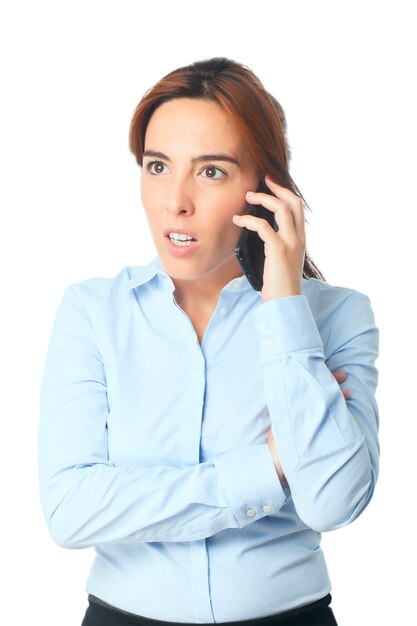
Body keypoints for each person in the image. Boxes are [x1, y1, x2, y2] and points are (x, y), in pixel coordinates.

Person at [38, 57, 380, 626]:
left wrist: (285, 307)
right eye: (157, 165)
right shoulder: (93, 313)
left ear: (265, 187)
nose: (176, 201)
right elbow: (70, 511)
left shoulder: (336, 315)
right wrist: (267, 466)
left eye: (211, 171)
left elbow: (334, 501)